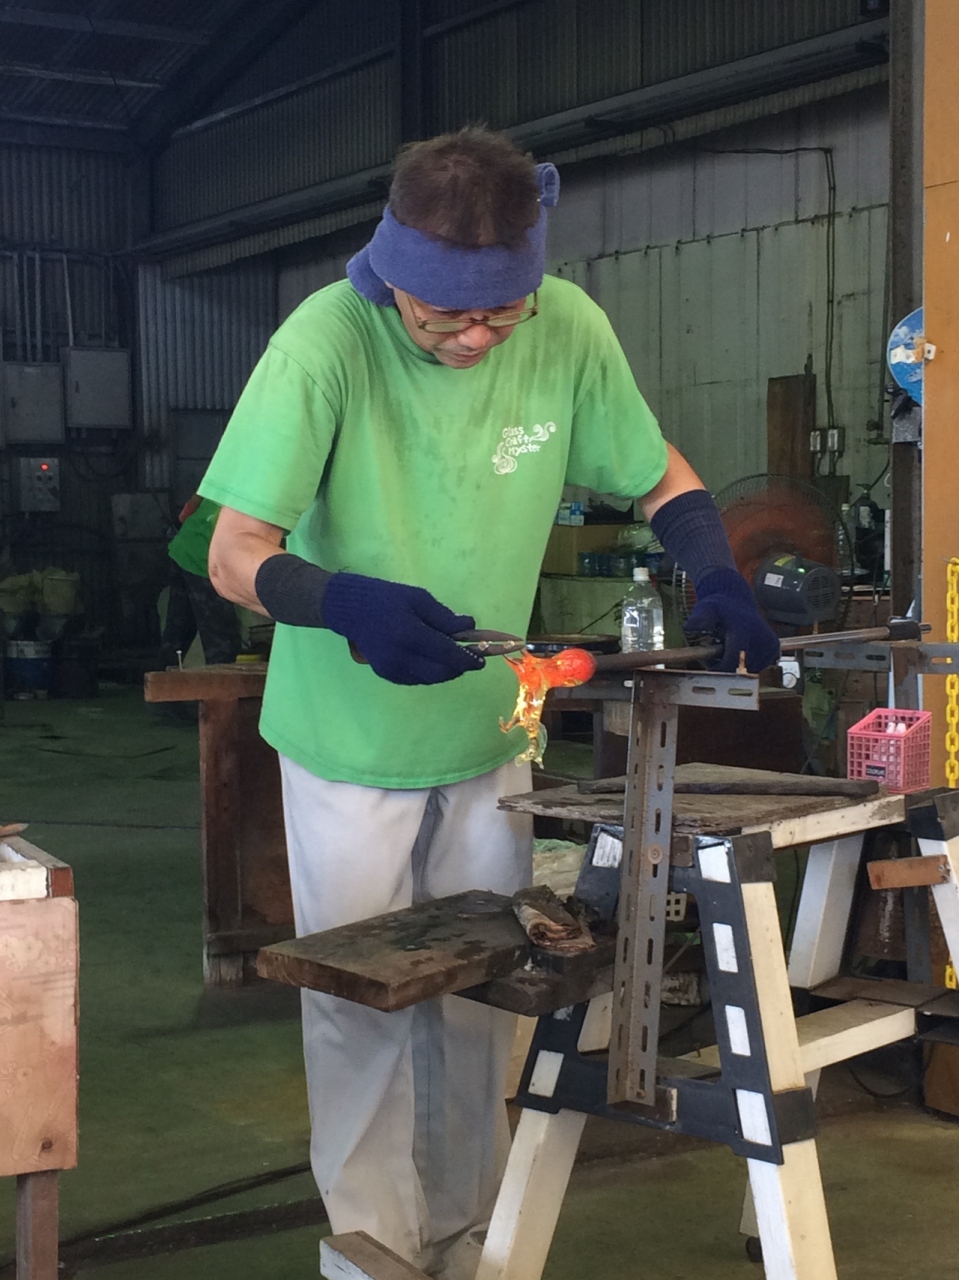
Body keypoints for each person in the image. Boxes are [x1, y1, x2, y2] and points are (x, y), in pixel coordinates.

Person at [200, 127, 779, 1279]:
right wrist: (341, 600)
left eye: (496, 314)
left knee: (484, 1001)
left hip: (487, 734)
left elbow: (656, 470)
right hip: (349, 742)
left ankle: (475, 1241)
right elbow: (231, 551)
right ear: (391, 278)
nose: (472, 338)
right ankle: (371, 1249)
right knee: (361, 1007)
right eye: (443, 317)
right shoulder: (323, 342)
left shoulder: (564, 326)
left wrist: (714, 569)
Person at [160, 494, 241, 667]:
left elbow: (186, 512)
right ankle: (222, 681)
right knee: (222, 637)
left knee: (179, 629)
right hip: (203, 560)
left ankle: (163, 678)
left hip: (182, 548)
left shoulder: (226, 483)